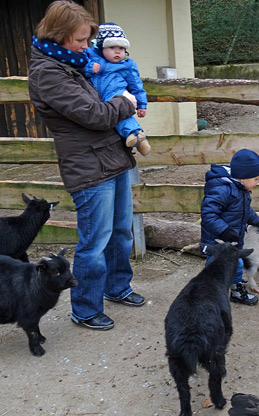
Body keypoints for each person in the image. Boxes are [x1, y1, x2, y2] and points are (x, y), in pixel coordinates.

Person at [28, 1, 145, 331]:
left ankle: (117, 287)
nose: (86, 46)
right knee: (94, 242)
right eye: (80, 39)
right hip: (87, 165)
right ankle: (85, 306)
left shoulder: (77, 62)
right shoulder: (48, 73)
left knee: (120, 232)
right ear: (59, 35)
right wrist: (126, 102)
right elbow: (95, 115)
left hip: (110, 157)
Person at [200, 149, 259, 306]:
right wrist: (224, 230)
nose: (258, 182)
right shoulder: (222, 189)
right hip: (217, 243)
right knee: (215, 269)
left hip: (233, 242)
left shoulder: (241, 189)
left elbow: (245, 210)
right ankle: (209, 297)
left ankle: (236, 291)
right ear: (243, 177)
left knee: (236, 264)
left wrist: (257, 221)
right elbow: (208, 214)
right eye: (256, 179)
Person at [84, 22, 151, 157]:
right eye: (112, 47)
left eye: (121, 48)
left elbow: (136, 85)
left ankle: (134, 135)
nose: (117, 51)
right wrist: (89, 69)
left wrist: (142, 104)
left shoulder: (127, 65)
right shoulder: (90, 57)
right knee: (109, 118)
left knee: (120, 115)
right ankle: (139, 138)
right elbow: (79, 66)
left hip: (117, 94)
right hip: (95, 98)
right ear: (101, 47)